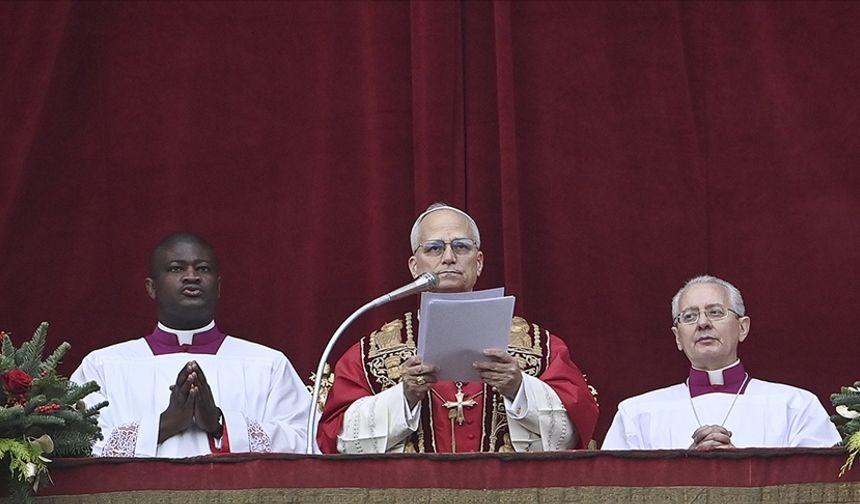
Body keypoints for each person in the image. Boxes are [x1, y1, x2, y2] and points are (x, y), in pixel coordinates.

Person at [317, 203, 599, 453]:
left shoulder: (539, 346)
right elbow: (335, 439)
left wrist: (520, 389)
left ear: (479, 262)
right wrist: (403, 398)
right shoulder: (371, 353)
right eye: (434, 248)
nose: (449, 257)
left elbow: (577, 431)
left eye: (461, 246)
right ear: (414, 266)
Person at [71, 232, 311, 457]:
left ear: (218, 287)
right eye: (176, 268)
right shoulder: (102, 366)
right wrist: (164, 425)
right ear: (151, 287)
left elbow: (305, 443)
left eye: (202, 268)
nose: (191, 276)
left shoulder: (268, 364)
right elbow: (75, 444)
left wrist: (220, 424)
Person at [602, 275, 840, 450]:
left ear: (742, 327)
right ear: (678, 337)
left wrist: (741, 469)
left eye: (715, 312)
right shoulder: (636, 413)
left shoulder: (796, 406)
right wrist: (684, 470)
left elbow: (819, 486)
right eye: (689, 316)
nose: (703, 323)